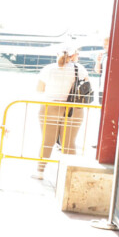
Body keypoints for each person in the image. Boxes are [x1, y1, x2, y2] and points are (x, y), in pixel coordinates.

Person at [33, 44, 89, 181]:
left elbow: (39, 89)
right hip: (73, 109)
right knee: (69, 143)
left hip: (50, 107)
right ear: (73, 55)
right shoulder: (80, 69)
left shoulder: (49, 69)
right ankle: (69, 177)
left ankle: (40, 172)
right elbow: (87, 89)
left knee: (47, 141)